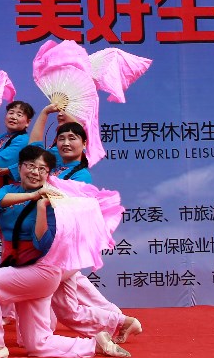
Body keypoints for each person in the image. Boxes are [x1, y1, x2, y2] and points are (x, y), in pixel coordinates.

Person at [0, 146, 131, 358]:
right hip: (20, 269)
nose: (35, 172)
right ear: (19, 168)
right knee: (37, 343)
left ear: (48, 174)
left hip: (42, 270)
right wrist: (33, 195)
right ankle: (96, 343)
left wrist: (41, 207)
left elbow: (43, 245)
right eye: (31, 166)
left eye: (42, 169)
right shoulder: (8, 191)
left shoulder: (52, 203)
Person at [32, 122, 143, 345]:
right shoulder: (56, 165)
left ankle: (36, 335)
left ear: (84, 144)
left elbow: (65, 209)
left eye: (72, 138)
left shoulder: (81, 176)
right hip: (56, 245)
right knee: (69, 307)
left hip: (63, 246)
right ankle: (120, 320)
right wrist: (47, 114)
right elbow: (33, 149)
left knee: (38, 287)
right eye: (61, 138)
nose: (65, 143)